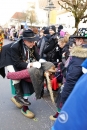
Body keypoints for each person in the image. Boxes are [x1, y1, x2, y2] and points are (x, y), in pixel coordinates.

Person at [0, 29, 56, 118]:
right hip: (9, 59)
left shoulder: (32, 44)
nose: (33, 43)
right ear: (24, 40)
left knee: (26, 74)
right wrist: (31, 64)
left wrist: (41, 61)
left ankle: (16, 98)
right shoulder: (15, 47)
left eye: (34, 41)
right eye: (30, 41)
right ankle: (19, 97)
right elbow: (17, 63)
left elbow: (37, 56)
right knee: (16, 75)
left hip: (20, 60)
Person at [50, 28, 87, 121]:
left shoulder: (79, 56)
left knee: (63, 96)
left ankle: (60, 116)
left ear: (80, 40)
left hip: (77, 90)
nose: (74, 42)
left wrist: (64, 97)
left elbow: (71, 79)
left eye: (75, 40)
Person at [52, 58, 87, 130]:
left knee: (62, 99)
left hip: (69, 86)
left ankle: (58, 114)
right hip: (69, 83)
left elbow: (70, 78)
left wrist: (62, 66)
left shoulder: (76, 59)